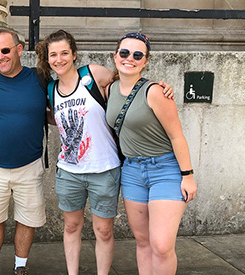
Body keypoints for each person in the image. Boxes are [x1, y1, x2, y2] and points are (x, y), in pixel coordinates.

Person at [35, 29, 174, 275]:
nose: (59, 59)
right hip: (69, 171)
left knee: (104, 231)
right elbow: (59, 119)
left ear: (74, 54)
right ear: (47, 59)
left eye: (64, 53)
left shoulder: (93, 74)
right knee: (71, 227)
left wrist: (160, 86)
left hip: (104, 169)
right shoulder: (51, 89)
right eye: (53, 55)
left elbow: (128, 86)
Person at [105, 32, 197, 275]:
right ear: (115, 57)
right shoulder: (110, 88)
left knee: (162, 245)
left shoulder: (155, 92)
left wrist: (187, 175)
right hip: (132, 171)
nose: (129, 59)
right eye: (124, 53)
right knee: (143, 241)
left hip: (165, 170)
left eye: (137, 55)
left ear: (145, 61)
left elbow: (177, 136)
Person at [0, 29, 49, 275]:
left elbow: (69, 91)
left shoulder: (39, 78)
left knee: (28, 219)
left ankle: (20, 267)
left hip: (29, 164)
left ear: (19, 50)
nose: (0, 56)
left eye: (5, 50)